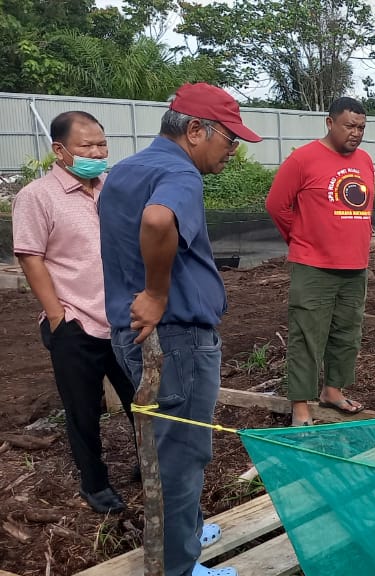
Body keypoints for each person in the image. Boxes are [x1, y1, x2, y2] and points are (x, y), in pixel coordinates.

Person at [100, 82, 261, 576]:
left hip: (135, 335)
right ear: (195, 130)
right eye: (229, 139)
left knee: (164, 439)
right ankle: (181, 566)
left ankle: (184, 531)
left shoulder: (126, 170)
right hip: (177, 338)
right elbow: (156, 220)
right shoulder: (180, 173)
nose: (233, 151)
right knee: (183, 451)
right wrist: (156, 293)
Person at [12, 111, 137, 514]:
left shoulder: (111, 188)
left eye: (102, 144)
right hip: (75, 323)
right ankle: (95, 484)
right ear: (60, 150)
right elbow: (31, 258)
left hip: (122, 319)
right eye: (87, 146)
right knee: (83, 412)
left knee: (142, 401)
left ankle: (149, 463)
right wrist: (56, 315)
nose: (98, 152)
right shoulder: (37, 196)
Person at [266, 97, 375, 426]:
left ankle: (332, 390)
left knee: (347, 333)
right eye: (349, 126)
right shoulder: (303, 159)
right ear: (330, 123)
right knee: (307, 335)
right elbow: (276, 205)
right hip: (314, 266)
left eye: (361, 128)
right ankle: (301, 406)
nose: (355, 133)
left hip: (355, 266)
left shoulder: (365, 161)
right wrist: (300, 240)